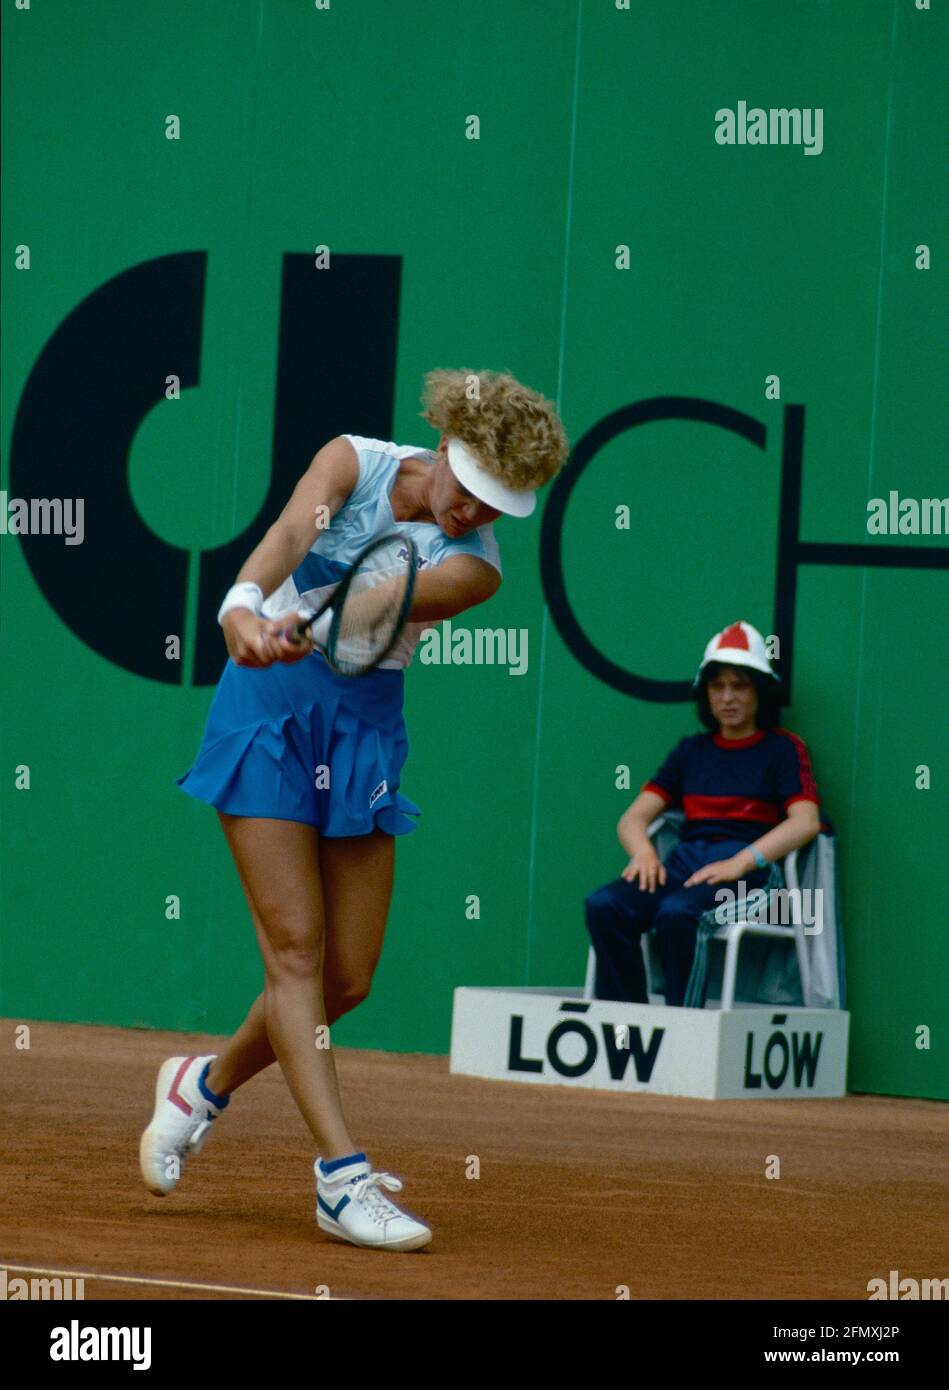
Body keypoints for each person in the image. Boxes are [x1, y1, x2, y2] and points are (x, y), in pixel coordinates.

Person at [140, 368, 568, 1251]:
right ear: (447, 445)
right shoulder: (352, 461)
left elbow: (371, 608)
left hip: (362, 726)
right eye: (470, 491)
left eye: (496, 508)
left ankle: (202, 1087)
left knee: (347, 979)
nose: (473, 516)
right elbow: (294, 527)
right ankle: (341, 1179)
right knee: (295, 951)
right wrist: (239, 605)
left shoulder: (473, 573)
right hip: (265, 714)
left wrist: (308, 623)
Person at [584, 621, 821, 1008]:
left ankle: (682, 1028)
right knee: (605, 906)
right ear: (706, 694)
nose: (727, 697)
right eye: (718, 686)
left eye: (740, 685)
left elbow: (805, 821)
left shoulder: (783, 749)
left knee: (679, 914)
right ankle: (626, 1028)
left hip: (753, 877)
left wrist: (741, 862)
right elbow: (632, 819)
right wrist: (643, 852)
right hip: (685, 867)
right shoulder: (691, 751)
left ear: (760, 692)